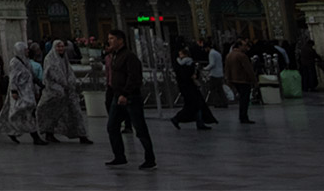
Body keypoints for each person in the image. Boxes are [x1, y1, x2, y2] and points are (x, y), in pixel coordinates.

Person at [101, 29, 155, 170]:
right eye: (109, 38)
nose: (109, 41)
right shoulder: (115, 56)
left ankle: (150, 158)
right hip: (117, 97)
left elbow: (134, 77)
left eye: (112, 38)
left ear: (120, 40)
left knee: (140, 128)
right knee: (112, 126)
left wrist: (125, 93)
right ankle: (119, 156)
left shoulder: (129, 56)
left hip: (130, 98)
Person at [38, 40, 92, 143]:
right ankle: (49, 133)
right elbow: (50, 75)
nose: (61, 49)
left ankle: (82, 135)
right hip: (55, 92)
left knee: (75, 112)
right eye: (58, 47)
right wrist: (61, 85)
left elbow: (69, 71)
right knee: (53, 114)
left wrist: (70, 83)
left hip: (68, 92)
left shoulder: (64, 58)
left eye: (62, 47)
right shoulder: (49, 59)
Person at [0, 41, 45, 144]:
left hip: (28, 90)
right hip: (20, 92)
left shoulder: (26, 61)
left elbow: (31, 74)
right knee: (23, 111)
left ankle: (15, 132)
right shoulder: (14, 62)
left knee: (28, 113)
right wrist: (14, 91)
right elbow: (13, 78)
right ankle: (33, 136)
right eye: (25, 50)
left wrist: (39, 84)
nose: (27, 51)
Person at [167, 42, 215, 130]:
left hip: (187, 87)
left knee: (196, 105)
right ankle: (179, 118)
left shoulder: (179, 64)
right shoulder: (187, 64)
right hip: (189, 87)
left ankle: (199, 122)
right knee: (194, 105)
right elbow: (189, 74)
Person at [224, 38, 256, 124]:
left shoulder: (229, 55)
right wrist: (254, 80)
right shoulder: (242, 56)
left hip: (234, 80)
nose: (246, 47)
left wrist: (228, 79)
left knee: (242, 98)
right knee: (244, 99)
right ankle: (243, 116)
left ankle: (242, 116)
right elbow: (248, 69)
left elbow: (227, 68)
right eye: (244, 45)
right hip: (243, 80)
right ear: (239, 46)